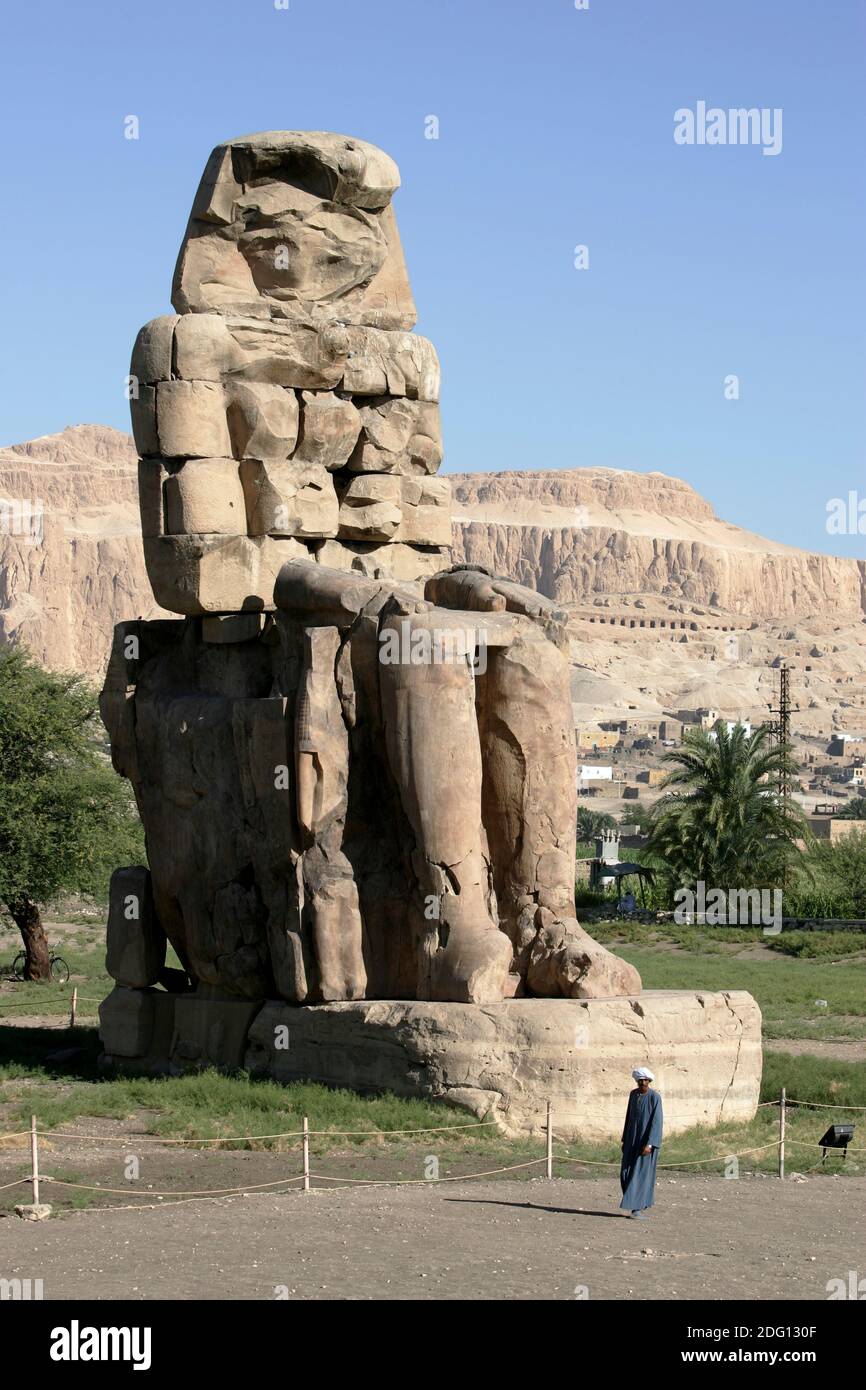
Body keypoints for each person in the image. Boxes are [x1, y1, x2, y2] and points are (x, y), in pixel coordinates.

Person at [619, 1066, 663, 1218]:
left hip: (646, 1144)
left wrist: (650, 1144)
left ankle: (636, 1209)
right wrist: (625, 1139)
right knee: (625, 1172)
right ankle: (636, 1204)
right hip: (631, 1140)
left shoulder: (654, 1097)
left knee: (640, 1175)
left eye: (645, 1080)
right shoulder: (633, 1095)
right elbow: (628, 1117)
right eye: (640, 1080)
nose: (643, 1082)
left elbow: (657, 1122)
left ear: (649, 1081)